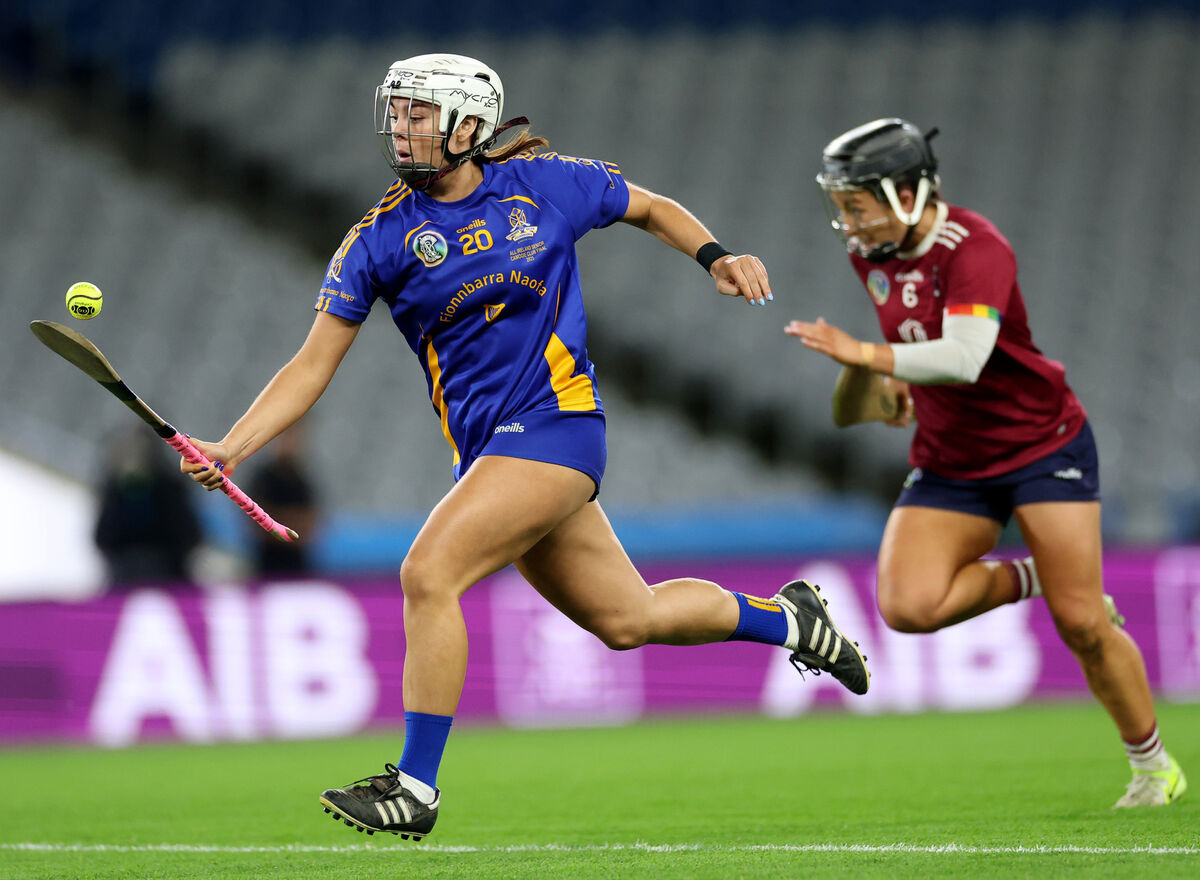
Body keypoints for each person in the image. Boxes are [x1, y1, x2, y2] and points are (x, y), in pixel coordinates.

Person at [182, 53, 870, 840]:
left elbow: (650, 207)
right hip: (494, 457)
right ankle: (793, 622)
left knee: (427, 572)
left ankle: (415, 786)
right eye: (397, 114)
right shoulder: (378, 240)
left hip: (559, 426)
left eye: (417, 115)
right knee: (628, 619)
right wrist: (231, 446)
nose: (400, 130)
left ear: (468, 127)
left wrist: (716, 256)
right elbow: (310, 365)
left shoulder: (545, 185)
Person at [786, 118, 1186, 809]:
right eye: (841, 204)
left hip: (1040, 445)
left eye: (856, 203)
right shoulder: (873, 256)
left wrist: (872, 357)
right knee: (908, 606)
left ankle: (1153, 767)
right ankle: (1037, 576)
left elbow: (965, 356)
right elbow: (862, 400)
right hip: (951, 460)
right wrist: (870, 375)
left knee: (1085, 625)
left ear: (906, 192)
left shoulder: (975, 246)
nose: (846, 221)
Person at [95, 426, 201, 587]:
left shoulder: (170, 485)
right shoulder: (115, 487)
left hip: (167, 572)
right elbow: (103, 536)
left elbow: (188, 532)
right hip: (126, 572)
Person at [242, 424, 319, 577]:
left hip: (298, 567)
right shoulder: (263, 477)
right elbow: (256, 523)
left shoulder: (303, 478)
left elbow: (311, 525)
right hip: (266, 566)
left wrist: (279, 519)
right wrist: (291, 522)